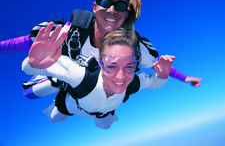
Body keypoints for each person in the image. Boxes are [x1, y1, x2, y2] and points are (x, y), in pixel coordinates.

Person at [3, 0, 201, 99]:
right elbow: (24, 43)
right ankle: (56, 80)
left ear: (126, 12)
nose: (112, 10)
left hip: (90, 84)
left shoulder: (133, 46)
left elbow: (160, 66)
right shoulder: (70, 33)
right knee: (29, 94)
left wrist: (185, 78)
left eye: (120, 6)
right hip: (61, 71)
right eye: (105, 2)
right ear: (95, 7)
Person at [22, 26, 175, 129]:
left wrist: (162, 75)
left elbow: (155, 83)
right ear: (101, 62)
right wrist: (34, 63)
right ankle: (55, 84)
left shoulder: (132, 82)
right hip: (69, 105)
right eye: (112, 65)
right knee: (54, 117)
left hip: (104, 113)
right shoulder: (79, 76)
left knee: (105, 126)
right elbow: (30, 67)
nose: (121, 76)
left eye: (129, 66)